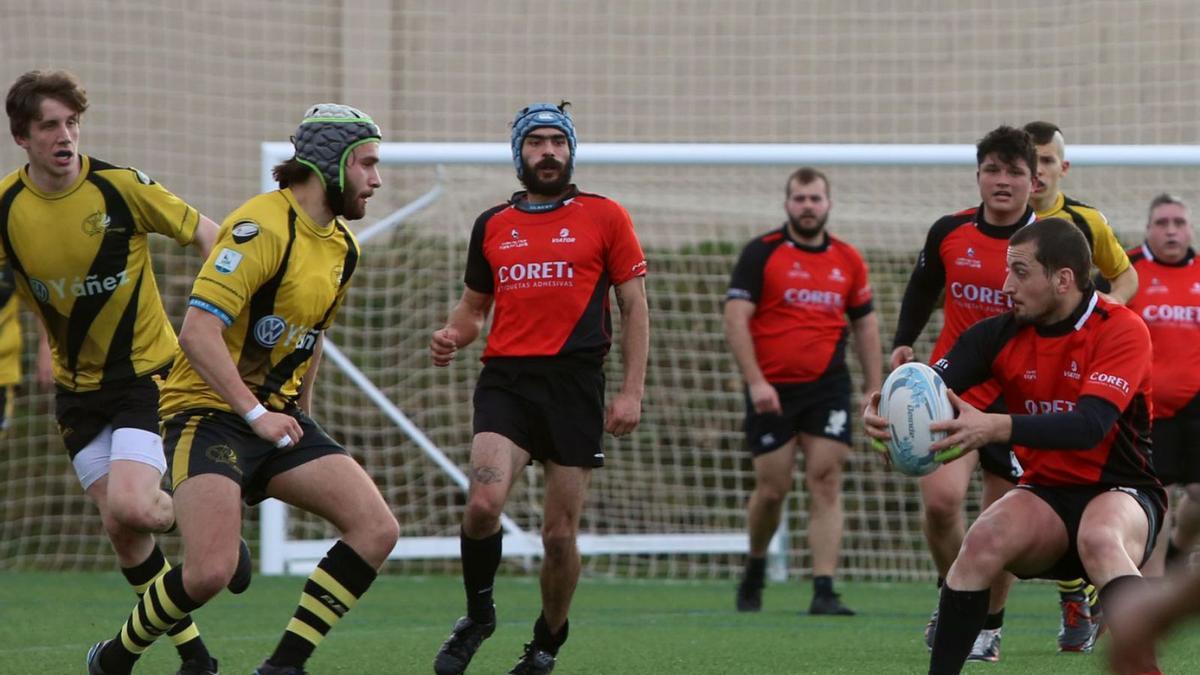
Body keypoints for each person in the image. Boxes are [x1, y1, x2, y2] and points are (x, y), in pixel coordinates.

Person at [86, 103, 399, 675]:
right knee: (210, 572)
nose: (377, 180)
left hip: (273, 417)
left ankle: (283, 666)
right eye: (368, 164)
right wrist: (256, 414)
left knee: (377, 528)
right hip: (207, 414)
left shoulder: (343, 247)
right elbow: (198, 333)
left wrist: (303, 414)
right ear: (331, 165)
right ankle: (114, 657)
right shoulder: (257, 227)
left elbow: (312, 336)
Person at [1, 70, 236, 674]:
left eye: (72, 123)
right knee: (123, 530)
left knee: (133, 507)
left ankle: (215, 519)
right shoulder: (7, 208)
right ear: (21, 137)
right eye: (49, 125)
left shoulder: (120, 188)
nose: (65, 136)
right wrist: (43, 345)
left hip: (147, 377)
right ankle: (197, 658)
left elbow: (211, 237)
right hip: (77, 395)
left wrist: (221, 315)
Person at [867, 217, 1164, 675]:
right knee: (981, 539)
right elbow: (931, 386)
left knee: (1099, 536)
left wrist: (994, 427)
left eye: (1020, 272)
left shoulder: (1121, 329)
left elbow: (1089, 426)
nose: (1005, 285)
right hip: (1046, 492)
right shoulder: (997, 334)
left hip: (1122, 491)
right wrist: (890, 417)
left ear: (1063, 278)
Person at [429, 102, 649, 675]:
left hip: (575, 385)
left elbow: (633, 306)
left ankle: (547, 642)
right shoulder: (492, 224)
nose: (547, 151)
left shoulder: (606, 216)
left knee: (558, 535)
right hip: (506, 380)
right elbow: (475, 308)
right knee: (482, 505)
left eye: (557, 142)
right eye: (536, 143)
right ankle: (478, 615)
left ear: (571, 151)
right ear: (519, 154)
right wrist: (454, 333)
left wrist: (631, 391)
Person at [890, 125, 1036, 660]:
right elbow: (923, 286)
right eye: (992, 170)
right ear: (977, 176)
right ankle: (956, 596)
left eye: (1013, 172)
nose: (1002, 181)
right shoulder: (949, 231)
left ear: (1033, 180)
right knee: (941, 504)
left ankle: (988, 626)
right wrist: (904, 341)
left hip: (1022, 399)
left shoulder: (1053, 238)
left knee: (1001, 526)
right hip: (952, 389)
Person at [726, 167, 881, 616]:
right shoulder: (762, 253)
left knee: (826, 480)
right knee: (773, 489)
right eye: (800, 199)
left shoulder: (848, 259)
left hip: (827, 388)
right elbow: (736, 319)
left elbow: (865, 324)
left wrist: (874, 387)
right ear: (787, 204)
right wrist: (755, 382)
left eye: (815, 199)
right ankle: (755, 566)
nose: (808, 206)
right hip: (771, 389)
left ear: (828, 204)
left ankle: (824, 588)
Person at [1124, 194, 1200, 574]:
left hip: (1196, 403)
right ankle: (1150, 591)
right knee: (1159, 499)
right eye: (1162, 222)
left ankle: (1177, 551)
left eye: (1179, 222)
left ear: (1190, 228)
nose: (1171, 230)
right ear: (1148, 229)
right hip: (1146, 404)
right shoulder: (1128, 271)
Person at [1024, 121, 1138, 303]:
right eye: (1030, 160)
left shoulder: (1087, 221)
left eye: (1047, 160)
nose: (1037, 170)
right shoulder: (998, 217)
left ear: (1064, 168)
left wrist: (1115, 299)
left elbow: (1125, 276)